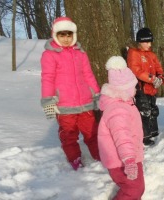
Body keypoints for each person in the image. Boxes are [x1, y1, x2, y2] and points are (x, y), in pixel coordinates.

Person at [41, 17, 101, 170]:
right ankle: (75, 160)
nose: (66, 39)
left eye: (69, 35)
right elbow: (48, 78)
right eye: (62, 35)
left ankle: (100, 156)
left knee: (92, 133)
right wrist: (48, 99)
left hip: (85, 103)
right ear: (55, 35)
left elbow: (88, 75)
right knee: (69, 136)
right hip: (64, 105)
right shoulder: (50, 55)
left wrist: (97, 94)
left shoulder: (80, 53)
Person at [98, 56, 145, 200]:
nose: (136, 90)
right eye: (133, 87)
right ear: (125, 89)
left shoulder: (125, 103)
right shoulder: (118, 109)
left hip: (129, 157)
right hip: (121, 161)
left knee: (136, 188)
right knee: (133, 189)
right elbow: (122, 136)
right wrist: (129, 160)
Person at [127, 27, 164, 146]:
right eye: (147, 42)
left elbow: (159, 68)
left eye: (150, 42)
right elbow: (136, 71)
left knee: (153, 110)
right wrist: (152, 78)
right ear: (140, 41)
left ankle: (154, 132)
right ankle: (145, 136)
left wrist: (160, 78)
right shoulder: (134, 53)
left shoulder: (151, 54)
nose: (149, 44)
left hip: (152, 89)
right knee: (144, 111)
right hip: (141, 88)